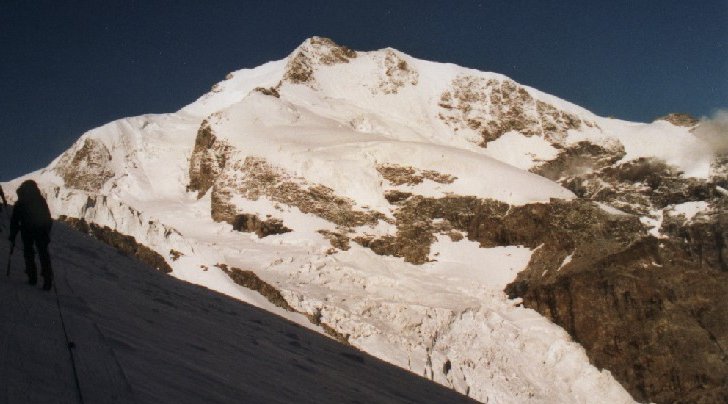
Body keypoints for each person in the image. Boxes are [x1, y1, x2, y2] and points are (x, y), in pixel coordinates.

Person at [8, 180, 53, 290]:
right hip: (40, 229)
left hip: (26, 230)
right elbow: (47, 216)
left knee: (29, 253)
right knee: (43, 253)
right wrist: (47, 231)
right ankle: (47, 279)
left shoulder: (21, 201)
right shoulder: (39, 199)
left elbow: (15, 220)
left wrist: (13, 235)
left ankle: (32, 277)